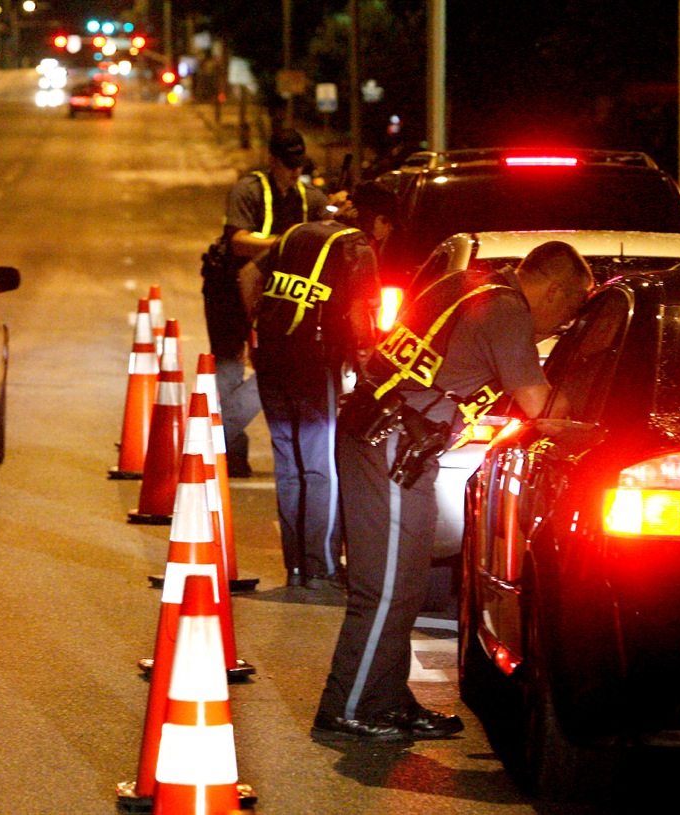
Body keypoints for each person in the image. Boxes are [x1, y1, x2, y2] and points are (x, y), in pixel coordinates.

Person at [314, 240, 594, 740]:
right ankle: (350, 706)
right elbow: (544, 408)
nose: (563, 324)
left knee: (404, 585)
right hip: (391, 444)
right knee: (385, 590)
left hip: (392, 441)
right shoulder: (504, 312)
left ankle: (387, 698)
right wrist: (596, 425)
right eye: (571, 310)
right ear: (554, 290)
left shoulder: (466, 284)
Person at [238, 216, 380, 590]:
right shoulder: (358, 248)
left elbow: (248, 277)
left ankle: (296, 566)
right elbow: (358, 314)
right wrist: (367, 360)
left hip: (272, 354)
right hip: (315, 362)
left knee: (288, 463)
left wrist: (258, 327)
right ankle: (324, 567)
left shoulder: (296, 234)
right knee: (320, 467)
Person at [202, 127, 331, 477]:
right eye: (288, 165)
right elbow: (240, 241)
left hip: (276, 297)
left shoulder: (311, 198)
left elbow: (327, 236)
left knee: (275, 368)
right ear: (272, 161)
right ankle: (231, 454)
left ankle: (213, 439)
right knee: (228, 368)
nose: (295, 172)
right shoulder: (248, 190)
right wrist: (288, 241)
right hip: (228, 289)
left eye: (300, 165)